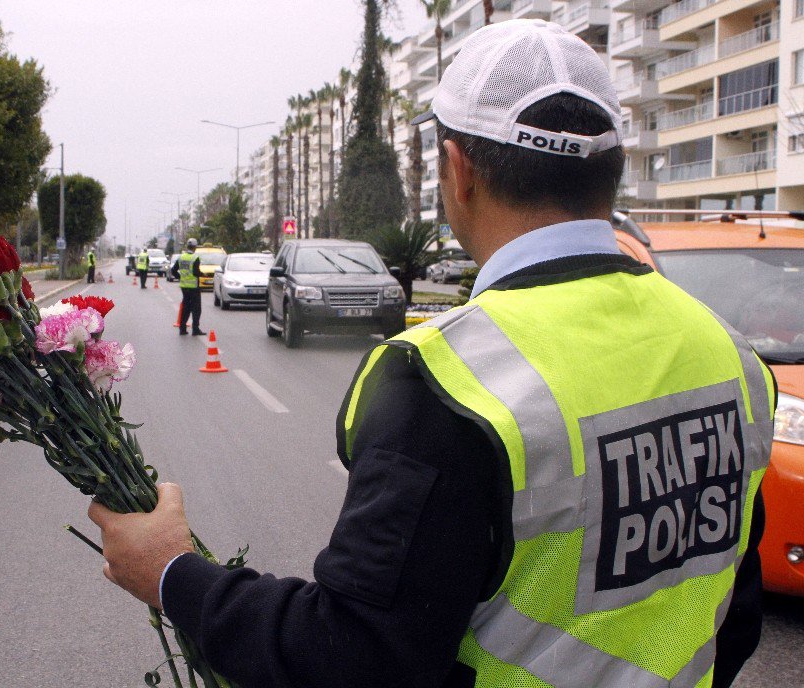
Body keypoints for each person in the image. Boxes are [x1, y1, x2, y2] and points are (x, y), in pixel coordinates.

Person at [88, 20, 774, 688]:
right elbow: (734, 611)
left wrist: (174, 573)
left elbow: (354, 657)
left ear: (458, 168)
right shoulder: (730, 356)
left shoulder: (449, 381)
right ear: (613, 169)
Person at [171, 238, 205, 336]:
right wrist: (202, 274)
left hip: (184, 287)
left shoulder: (181, 257)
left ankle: (182, 329)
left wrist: (180, 277)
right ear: (195, 247)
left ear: (187, 246)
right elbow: (195, 272)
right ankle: (195, 329)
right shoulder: (195, 258)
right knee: (196, 308)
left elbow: (173, 270)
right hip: (194, 287)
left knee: (185, 307)